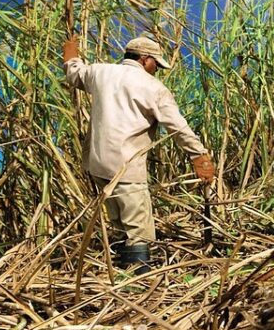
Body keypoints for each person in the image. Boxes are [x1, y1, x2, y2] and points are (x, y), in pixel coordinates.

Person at [62, 35, 215, 273]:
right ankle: (139, 285)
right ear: (145, 60)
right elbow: (177, 127)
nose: (157, 70)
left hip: (97, 164)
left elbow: (75, 74)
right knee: (139, 232)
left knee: (119, 224)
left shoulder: (99, 73)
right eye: (156, 64)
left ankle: (121, 275)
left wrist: (71, 55)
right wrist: (199, 156)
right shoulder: (153, 87)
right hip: (126, 166)